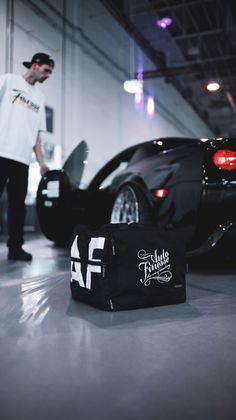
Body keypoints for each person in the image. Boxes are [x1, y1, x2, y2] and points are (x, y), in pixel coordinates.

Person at [0, 52, 54, 261]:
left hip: (22, 159)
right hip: (1, 152)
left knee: (18, 207)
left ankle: (15, 248)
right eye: (46, 70)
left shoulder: (39, 98)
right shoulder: (8, 80)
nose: (48, 75)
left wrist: (41, 162)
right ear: (35, 65)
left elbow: (37, 135)